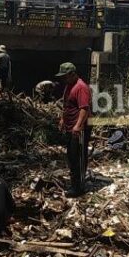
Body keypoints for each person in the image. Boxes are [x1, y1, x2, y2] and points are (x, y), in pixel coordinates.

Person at [55, 62, 92, 197]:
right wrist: (63, 119)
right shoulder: (69, 86)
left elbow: (84, 108)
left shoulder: (81, 87)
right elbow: (67, 105)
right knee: (71, 156)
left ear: (72, 74)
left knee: (79, 158)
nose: (64, 79)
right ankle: (74, 183)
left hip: (79, 128)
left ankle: (79, 188)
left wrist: (78, 125)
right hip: (70, 127)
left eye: (65, 76)